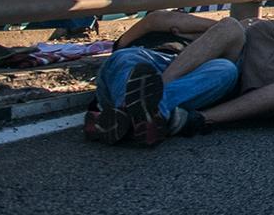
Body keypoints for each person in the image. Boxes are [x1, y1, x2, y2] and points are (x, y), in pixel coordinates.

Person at [84, 10, 246, 146]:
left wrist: (208, 36)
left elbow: (231, 31)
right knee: (126, 57)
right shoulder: (150, 29)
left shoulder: (215, 45)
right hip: (142, 62)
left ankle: (127, 116)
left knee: (226, 70)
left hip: (187, 75)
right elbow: (156, 19)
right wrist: (208, 28)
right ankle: (147, 115)